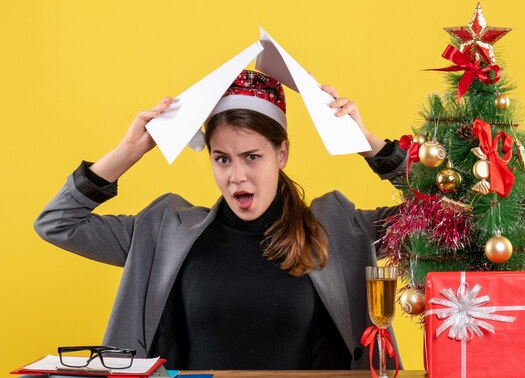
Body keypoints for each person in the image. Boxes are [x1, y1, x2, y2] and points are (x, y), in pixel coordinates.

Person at [34, 70, 406, 370]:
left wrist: (371, 145)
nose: (236, 176)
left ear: (282, 154)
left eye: (252, 157)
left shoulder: (338, 231)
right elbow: (57, 223)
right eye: (222, 158)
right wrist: (129, 151)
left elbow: (443, 217)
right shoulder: (166, 231)